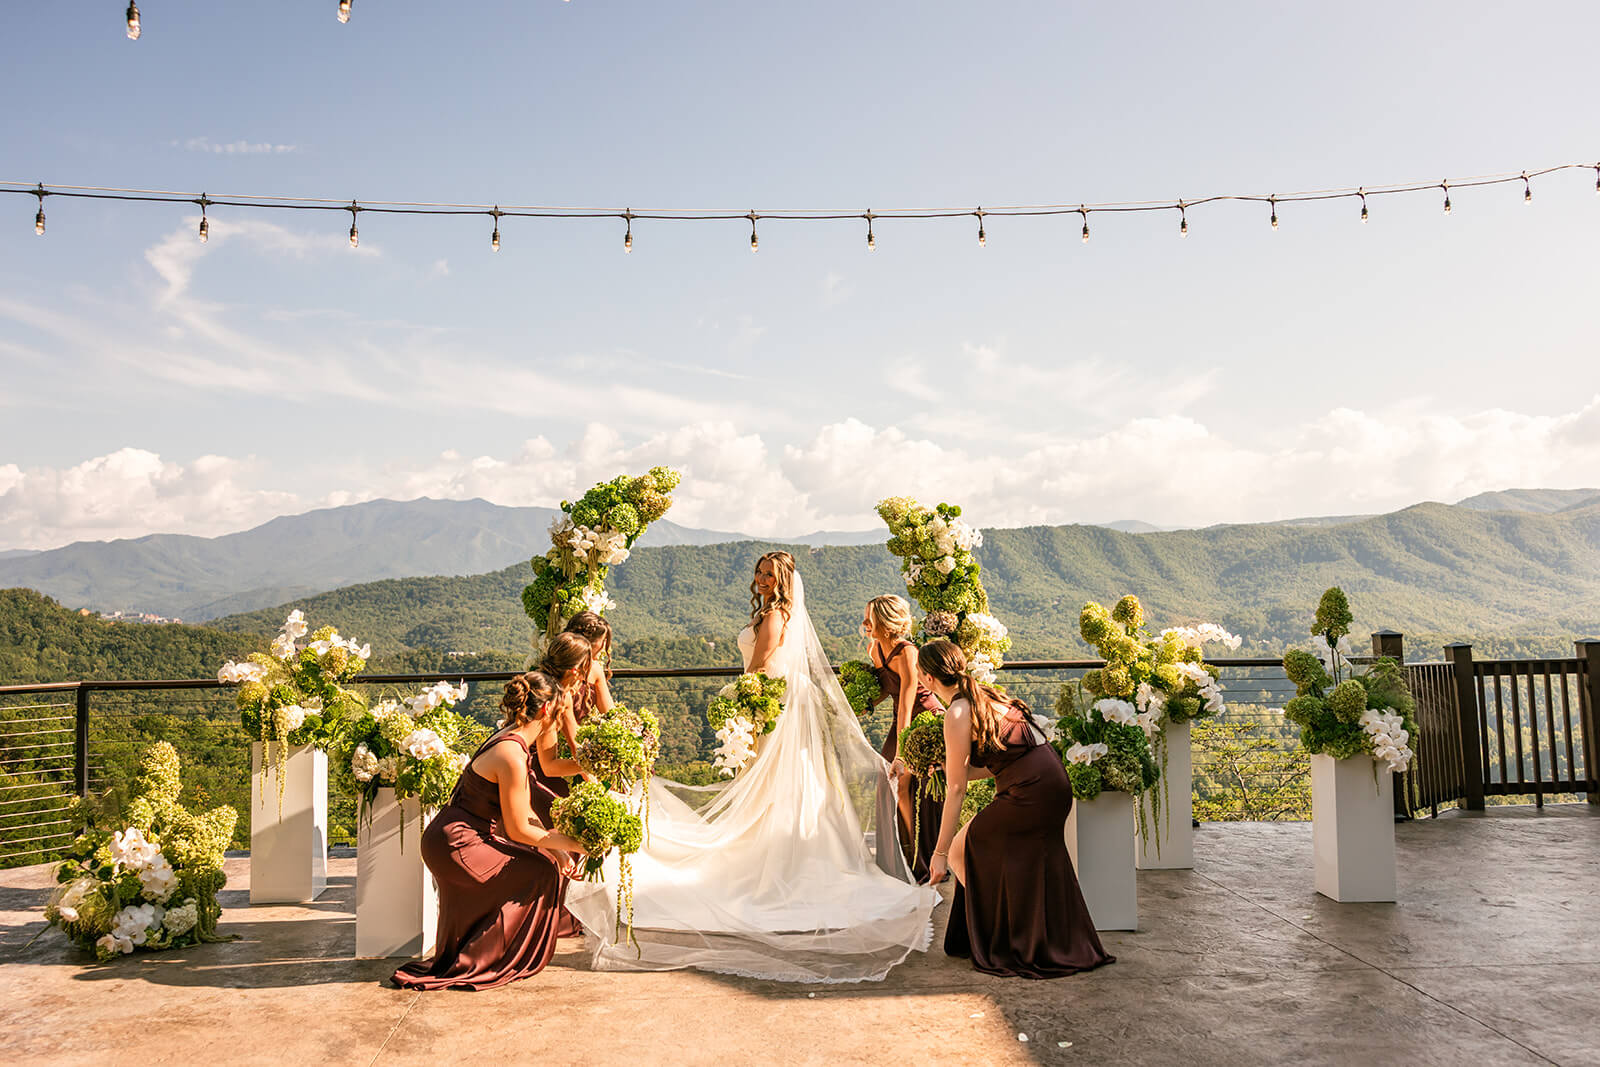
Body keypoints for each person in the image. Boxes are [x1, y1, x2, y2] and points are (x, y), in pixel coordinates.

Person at [564, 550, 939, 983]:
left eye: (768, 574)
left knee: (774, 784)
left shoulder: (777, 616)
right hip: (774, 703)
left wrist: (735, 703)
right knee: (774, 786)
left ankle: (784, 860)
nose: (760, 579)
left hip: (768, 704)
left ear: (782, 579)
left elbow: (760, 666)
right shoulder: (773, 612)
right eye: (758, 572)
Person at [917, 638, 1114, 979]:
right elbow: (999, 760)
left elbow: (957, 789)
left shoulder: (958, 711)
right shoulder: (985, 696)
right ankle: (1012, 931)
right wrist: (949, 767)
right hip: (1050, 781)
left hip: (1032, 792)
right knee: (973, 850)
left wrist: (938, 852)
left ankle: (1006, 937)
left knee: (961, 851)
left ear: (928, 679)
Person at [393, 670, 589, 991]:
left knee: (545, 865)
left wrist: (559, 850)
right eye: (560, 713)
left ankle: (489, 954)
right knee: (538, 872)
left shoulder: (513, 738)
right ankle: (486, 961)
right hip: (457, 844)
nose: (561, 721)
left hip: (456, 837)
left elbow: (525, 812)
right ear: (545, 711)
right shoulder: (512, 754)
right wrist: (576, 844)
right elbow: (519, 829)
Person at [863, 594, 944, 880]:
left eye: (869, 619)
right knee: (887, 783)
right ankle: (898, 857)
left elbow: (908, 700)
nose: (864, 623)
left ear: (884, 623)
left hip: (923, 720)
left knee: (902, 780)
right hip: (902, 718)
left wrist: (901, 753)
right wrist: (864, 703)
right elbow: (889, 688)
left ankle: (918, 862)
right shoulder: (875, 649)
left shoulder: (908, 652)